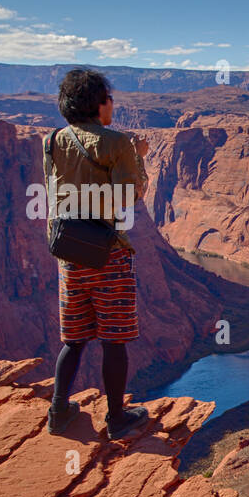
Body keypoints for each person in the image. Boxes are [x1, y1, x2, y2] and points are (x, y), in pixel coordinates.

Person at [44, 68, 151, 438]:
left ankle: (58, 411)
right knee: (113, 338)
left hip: (70, 252)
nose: (113, 106)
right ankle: (116, 418)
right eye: (110, 100)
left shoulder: (53, 140)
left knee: (74, 338)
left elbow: (56, 192)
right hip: (108, 252)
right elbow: (128, 198)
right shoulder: (117, 142)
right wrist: (138, 158)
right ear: (99, 104)